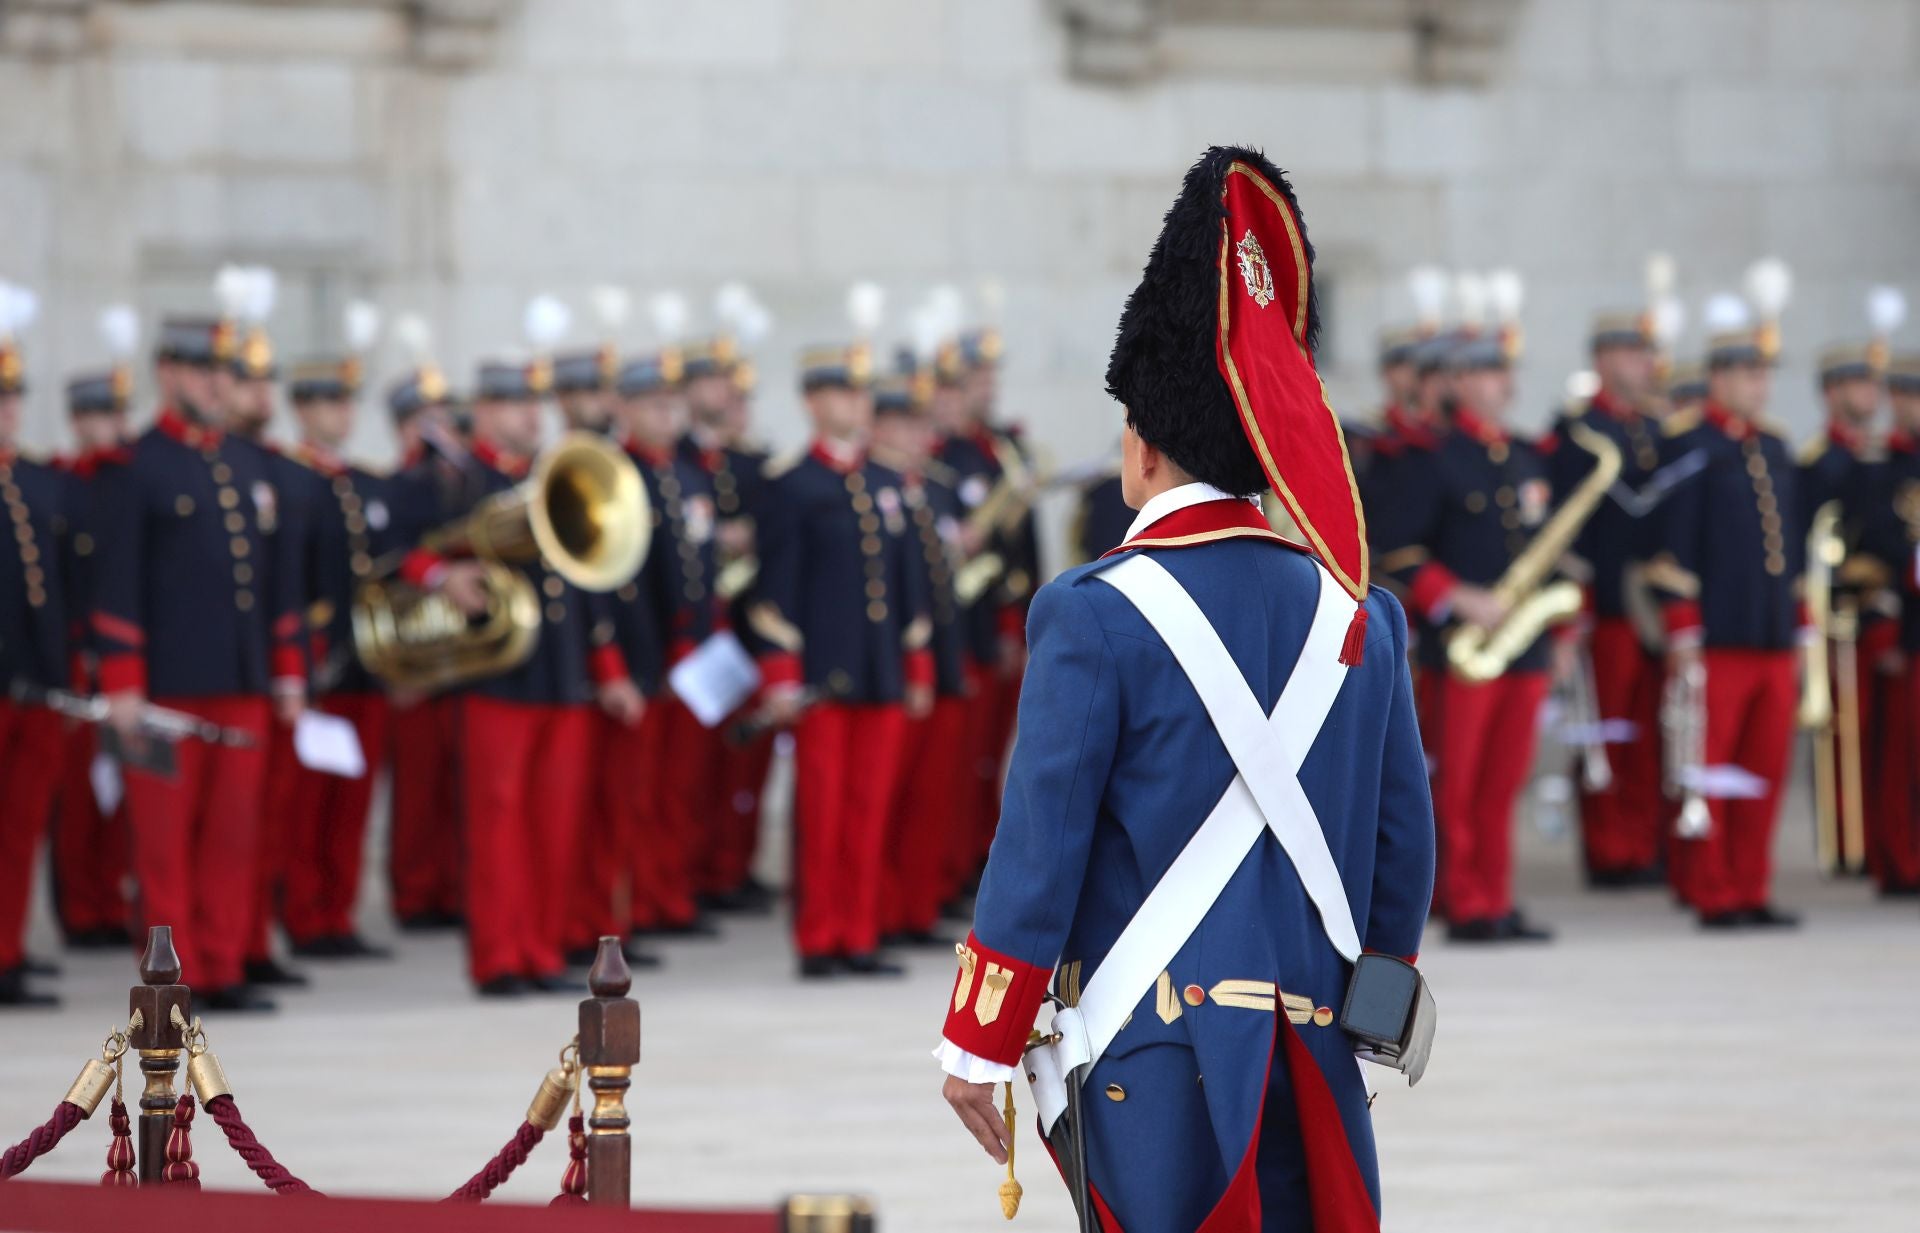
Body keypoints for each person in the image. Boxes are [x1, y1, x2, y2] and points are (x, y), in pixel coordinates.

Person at [937, 146, 1433, 1229]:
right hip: (1315, 1051)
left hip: (1154, 1056)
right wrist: (1376, 995)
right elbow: (1403, 849)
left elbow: (1042, 842)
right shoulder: (1363, 614)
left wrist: (978, 1036)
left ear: (1144, 450)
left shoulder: (1095, 610)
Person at [91, 316, 299, 1011]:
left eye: (227, 372)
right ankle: (170, 979)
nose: (220, 383)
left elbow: (270, 582)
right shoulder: (135, 464)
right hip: (161, 690)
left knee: (232, 831)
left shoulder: (242, 462)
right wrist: (120, 681)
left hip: (239, 682)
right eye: (206, 370)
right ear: (170, 374)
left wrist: (284, 668)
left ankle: (221, 960)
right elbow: (115, 579)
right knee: (162, 842)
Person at [751, 343, 933, 978]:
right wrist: (780, 676)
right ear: (812, 402)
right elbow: (773, 592)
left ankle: (858, 934)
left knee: (869, 809)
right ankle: (818, 936)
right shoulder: (792, 485)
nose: (853, 404)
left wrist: (917, 669)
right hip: (821, 679)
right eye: (838, 393)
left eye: (859, 394)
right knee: (823, 814)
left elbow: (910, 588)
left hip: (881, 673)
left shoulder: (890, 483)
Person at [1379, 332, 1563, 942]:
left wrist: (1557, 629)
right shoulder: (1434, 458)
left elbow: (1546, 545)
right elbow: (1399, 551)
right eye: (1485, 374)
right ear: (1458, 384)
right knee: (1458, 783)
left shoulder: (1524, 454)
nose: (1499, 384)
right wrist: (1457, 596)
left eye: (1503, 372)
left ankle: (1497, 898)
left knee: (1504, 782)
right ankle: (1464, 902)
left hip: (1524, 642)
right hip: (1463, 647)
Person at [1647, 303, 1804, 929]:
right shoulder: (1692, 446)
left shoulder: (1775, 445)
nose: (1757, 385)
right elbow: (1672, 551)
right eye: (1745, 373)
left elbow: (1790, 547)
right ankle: (1713, 890)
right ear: (1717, 377)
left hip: (1772, 635)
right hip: (1717, 637)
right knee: (1711, 769)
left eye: (1762, 373)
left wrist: (1801, 621)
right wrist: (1683, 631)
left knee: (1764, 769)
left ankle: (1751, 885)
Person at [273, 358, 398, 960]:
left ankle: (338, 911)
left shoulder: (361, 482)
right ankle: (303, 912)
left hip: (364, 665)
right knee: (306, 803)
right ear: (302, 409)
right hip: (318, 665)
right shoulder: (290, 478)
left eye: (346, 402)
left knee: (352, 801)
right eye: (327, 403)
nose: (340, 414)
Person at [1553, 313, 1668, 888]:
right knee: (1607, 729)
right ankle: (1610, 850)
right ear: (1602, 359)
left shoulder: (1650, 426)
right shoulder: (1578, 428)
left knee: (1649, 732)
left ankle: (1644, 843)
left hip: (1651, 602)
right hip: (1604, 601)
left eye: (1644, 353)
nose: (1643, 364)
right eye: (1629, 353)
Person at [868, 370, 967, 947]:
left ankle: (914, 907)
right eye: (905, 422)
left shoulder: (927, 485)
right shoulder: (879, 485)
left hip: (944, 659)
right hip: (903, 665)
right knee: (895, 798)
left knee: (929, 798)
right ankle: (885, 911)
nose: (917, 433)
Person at [50, 351, 135, 952]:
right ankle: (82, 908)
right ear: (78, 420)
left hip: (125, 656)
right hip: (82, 656)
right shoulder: (64, 483)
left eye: (116, 413)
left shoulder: (129, 480)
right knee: (81, 797)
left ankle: (112, 898)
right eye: (97, 414)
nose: (109, 424)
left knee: (124, 789)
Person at [1800, 339, 1893, 877]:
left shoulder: (1881, 456)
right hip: (1836, 615)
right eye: (1859, 384)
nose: (1870, 395)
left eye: (1873, 385)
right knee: (1839, 733)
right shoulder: (1820, 462)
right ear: (1833, 393)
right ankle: (1844, 840)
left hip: (1880, 613)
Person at [381, 358, 467, 932]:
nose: (435, 428)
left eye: (441, 416)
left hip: (461, 654)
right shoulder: (399, 485)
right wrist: (435, 572)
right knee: (416, 786)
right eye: (422, 418)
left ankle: (452, 888)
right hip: (415, 649)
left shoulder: (463, 481)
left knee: (456, 785)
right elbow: (386, 556)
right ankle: (414, 894)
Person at [0, 308, 68, 1008]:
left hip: (36, 691)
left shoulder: (34, 480)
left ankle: (8, 950)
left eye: (12, 395)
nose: (8, 409)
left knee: (20, 831)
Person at [1863, 355, 1920, 896]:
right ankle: (1903, 864)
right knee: (1903, 760)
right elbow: (1867, 553)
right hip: (1908, 631)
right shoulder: (1881, 467)